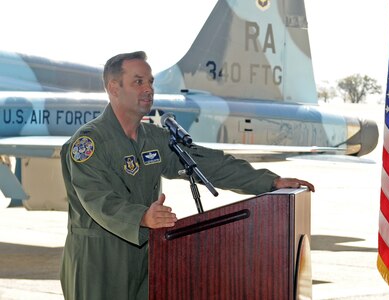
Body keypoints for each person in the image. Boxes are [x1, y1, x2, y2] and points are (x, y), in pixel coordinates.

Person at [59, 50, 315, 300]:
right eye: (138, 82)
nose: (148, 89)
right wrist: (142, 216)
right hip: (99, 261)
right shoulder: (89, 144)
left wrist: (269, 181)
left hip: (146, 255)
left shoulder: (154, 139)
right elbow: (98, 200)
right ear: (114, 88)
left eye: (150, 82)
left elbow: (209, 164)